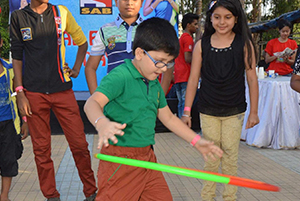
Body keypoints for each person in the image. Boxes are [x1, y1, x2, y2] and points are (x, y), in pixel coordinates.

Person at [84, 17, 223, 201]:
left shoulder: (153, 83)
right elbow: (91, 104)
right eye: (159, 61)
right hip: (120, 161)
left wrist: (196, 141)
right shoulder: (120, 76)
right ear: (140, 53)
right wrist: (101, 123)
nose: (163, 69)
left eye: (167, 63)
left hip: (147, 158)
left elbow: (169, 119)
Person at [10, 1, 97, 201]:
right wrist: (20, 92)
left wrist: (75, 69)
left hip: (62, 91)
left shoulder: (61, 12)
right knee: (41, 150)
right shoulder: (18, 17)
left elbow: (82, 42)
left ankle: (91, 192)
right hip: (33, 93)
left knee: (80, 145)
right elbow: (16, 56)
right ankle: (51, 196)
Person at [181, 0, 259, 200]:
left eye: (227, 17)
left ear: (236, 19)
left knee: (231, 155)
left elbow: (252, 77)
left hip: (234, 110)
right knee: (211, 156)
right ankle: (207, 196)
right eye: (217, 17)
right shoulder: (201, 45)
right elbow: (193, 79)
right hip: (208, 109)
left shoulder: (244, 44)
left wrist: (254, 112)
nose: (222, 22)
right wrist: (187, 111)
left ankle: (229, 197)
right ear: (210, 19)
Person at [85, 0, 143, 94]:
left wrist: (158, 97)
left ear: (141, 2)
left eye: (135, 0)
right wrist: (96, 100)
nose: (129, 3)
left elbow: (165, 64)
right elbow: (90, 68)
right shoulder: (105, 30)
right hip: (113, 95)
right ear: (116, 2)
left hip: (143, 94)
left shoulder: (150, 29)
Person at [0, 34, 28, 201]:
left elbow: (19, 97)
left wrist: (24, 121)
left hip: (9, 124)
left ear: (1, 43)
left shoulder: (10, 70)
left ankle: (4, 196)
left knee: (8, 159)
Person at [174, 13, 199, 118]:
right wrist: (199, 57)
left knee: (181, 103)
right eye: (195, 24)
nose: (197, 27)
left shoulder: (181, 38)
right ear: (188, 25)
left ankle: (180, 126)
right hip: (185, 75)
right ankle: (184, 126)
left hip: (178, 76)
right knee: (186, 103)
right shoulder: (188, 38)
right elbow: (187, 58)